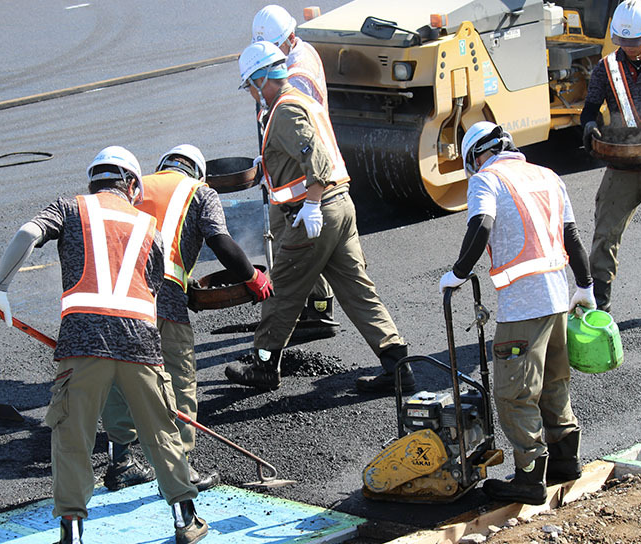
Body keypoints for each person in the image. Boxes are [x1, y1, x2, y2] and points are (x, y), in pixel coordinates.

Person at [0, 146, 208, 544]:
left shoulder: (69, 208)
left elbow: (28, 234)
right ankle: (186, 520)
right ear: (132, 184)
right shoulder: (149, 226)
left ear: (94, 180)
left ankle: (72, 542)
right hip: (141, 345)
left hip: (83, 347)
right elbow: (154, 287)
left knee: (72, 439)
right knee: (161, 432)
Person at [225, 41, 416, 394]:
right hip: (341, 207)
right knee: (357, 289)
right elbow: (306, 152)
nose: (251, 94)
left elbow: (317, 160)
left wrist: (312, 205)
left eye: (250, 86)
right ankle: (398, 364)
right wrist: (266, 164)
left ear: (261, 79)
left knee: (282, 290)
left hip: (316, 214)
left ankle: (264, 365)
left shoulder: (283, 110)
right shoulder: (303, 100)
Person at [100, 144, 272, 492]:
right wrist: (252, 278)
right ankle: (180, 469)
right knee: (179, 378)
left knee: (119, 377)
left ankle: (121, 463)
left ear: (163, 165)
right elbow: (220, 240)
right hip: (161, 299)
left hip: (114, 295)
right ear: (198, 172)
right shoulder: (200, 192)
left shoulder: (136, 185)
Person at [440, 121, 596, 505]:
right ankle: (565, 460)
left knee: (514, 393)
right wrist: (585, 286)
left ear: (477, 155)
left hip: (524, 305)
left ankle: (529, 478)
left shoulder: (487, 179)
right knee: (554, 382)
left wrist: (458, 274)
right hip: (558, 298)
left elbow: (482, 224)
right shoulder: (546, 175)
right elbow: (571, 236)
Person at [252, 4, 338, 332]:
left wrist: (271, 157)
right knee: (313, 244)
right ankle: (316, 308)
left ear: (289, 38)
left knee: (292, 245)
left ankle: (284, 322)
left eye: (274, 47)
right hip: (302, 168)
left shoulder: (295, 76)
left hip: (300, 173)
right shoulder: (304, 52)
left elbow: (298, 132)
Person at [581, 0, 641, 313]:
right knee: (604, 236)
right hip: (622, 167)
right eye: (623, 42)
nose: (629, 48)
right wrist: (588, 126)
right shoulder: (606, 67)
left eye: (635, 42)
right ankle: (600, 307)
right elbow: (589, 109)